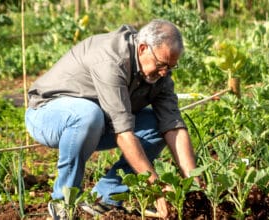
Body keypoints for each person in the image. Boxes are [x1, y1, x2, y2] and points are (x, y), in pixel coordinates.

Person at [25, 19, 200, 219]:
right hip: (47, 115)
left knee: (155, 125)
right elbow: (123, 132)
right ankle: (64, 202)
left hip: (96, 122)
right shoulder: (112, 60)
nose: (164, 72)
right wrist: (156, 187)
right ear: (143, 48)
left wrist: (193, 181)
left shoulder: (160, 76)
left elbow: (173, 126)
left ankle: (105, 197)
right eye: (161, 64)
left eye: (170, 67)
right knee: (89, 115)